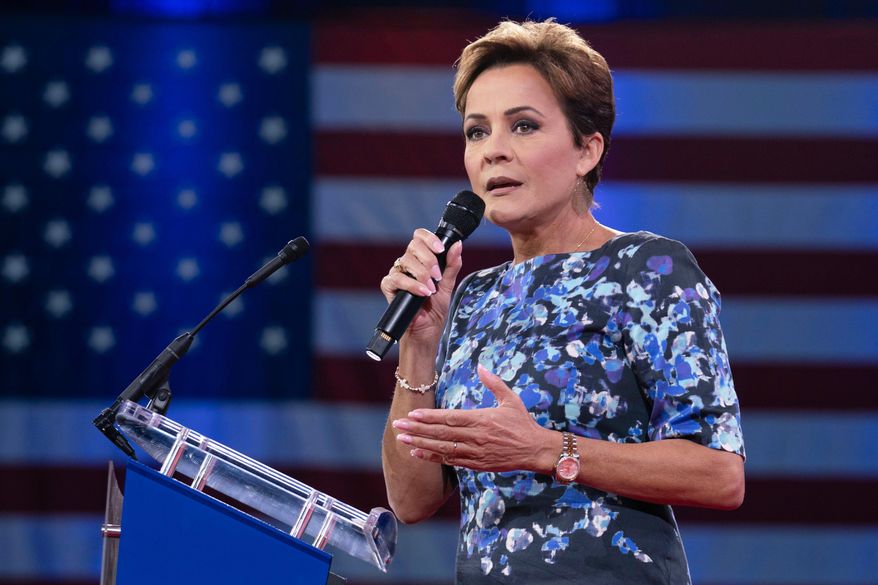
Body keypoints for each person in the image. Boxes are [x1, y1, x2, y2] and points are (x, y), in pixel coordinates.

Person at [379, 18, 745, 584]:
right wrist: (419, 343)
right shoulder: (476, 296)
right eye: (477, 132)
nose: (493, 151)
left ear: (586, 150)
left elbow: (719, 474)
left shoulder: (646, 270)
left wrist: (547, 450)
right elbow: (412, 500)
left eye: (523, 126)